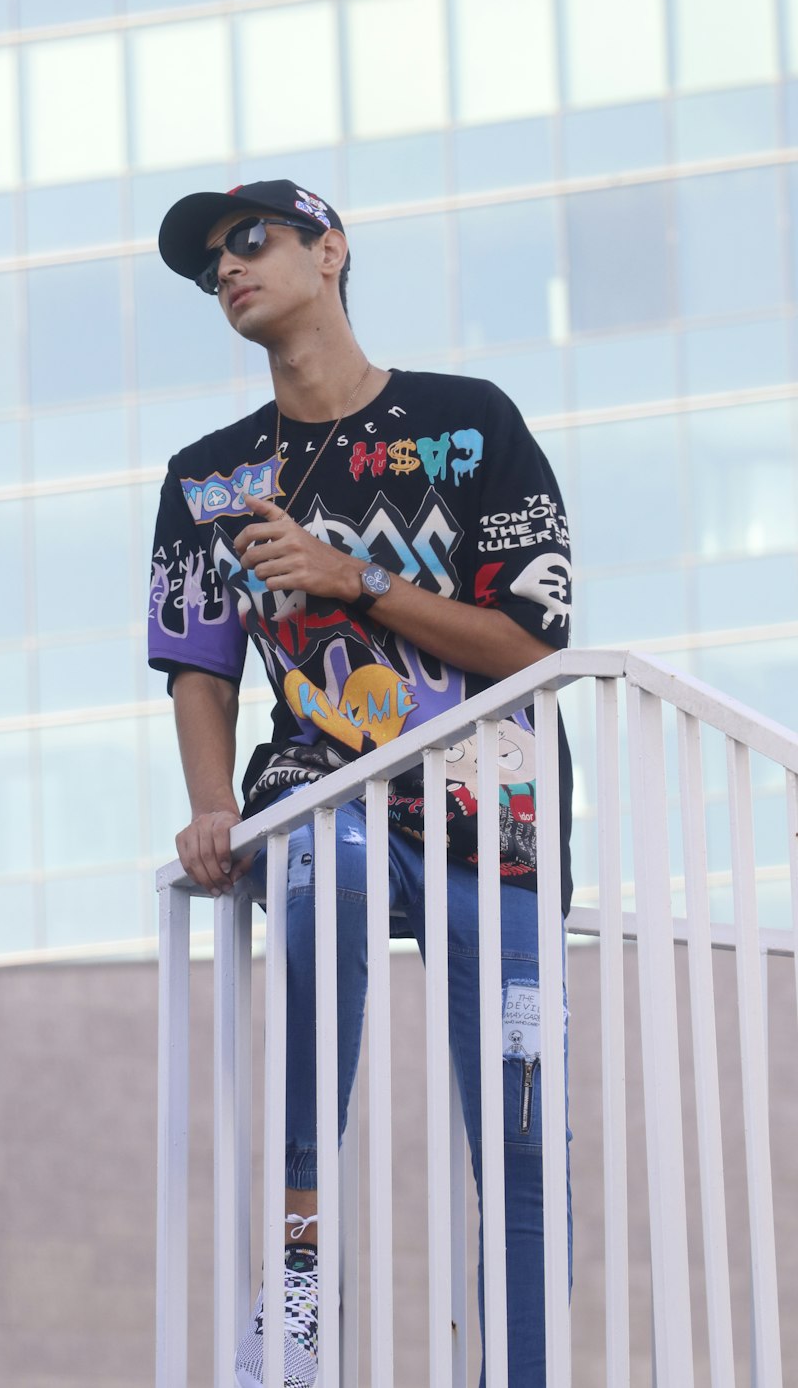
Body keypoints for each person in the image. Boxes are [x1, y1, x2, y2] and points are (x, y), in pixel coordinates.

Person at [148, 180, 573, 1388]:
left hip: (495, 816)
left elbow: (536, 645)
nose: (226, 270)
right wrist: (211, 802)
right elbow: (198, 667)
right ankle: (293, 1335)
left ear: (329, 251)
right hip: (322, 791)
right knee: (305, 1049)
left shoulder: (467, 421)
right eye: (207, 265)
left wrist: (356, 582)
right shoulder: (209, 476)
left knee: (524, 1136)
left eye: (250, 241)